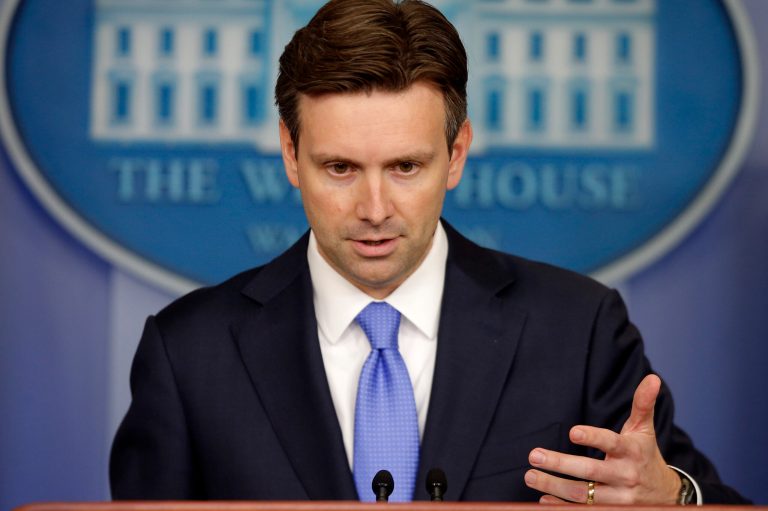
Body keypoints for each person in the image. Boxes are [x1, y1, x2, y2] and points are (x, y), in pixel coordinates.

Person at [110, 0, 749, 504]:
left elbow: (709, 501)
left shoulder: (578, 330)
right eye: (339, 167)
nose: (375, 207)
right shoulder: (188, 350)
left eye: (406, 166)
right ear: (289, 154)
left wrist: (675, 499)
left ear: (458, 154)